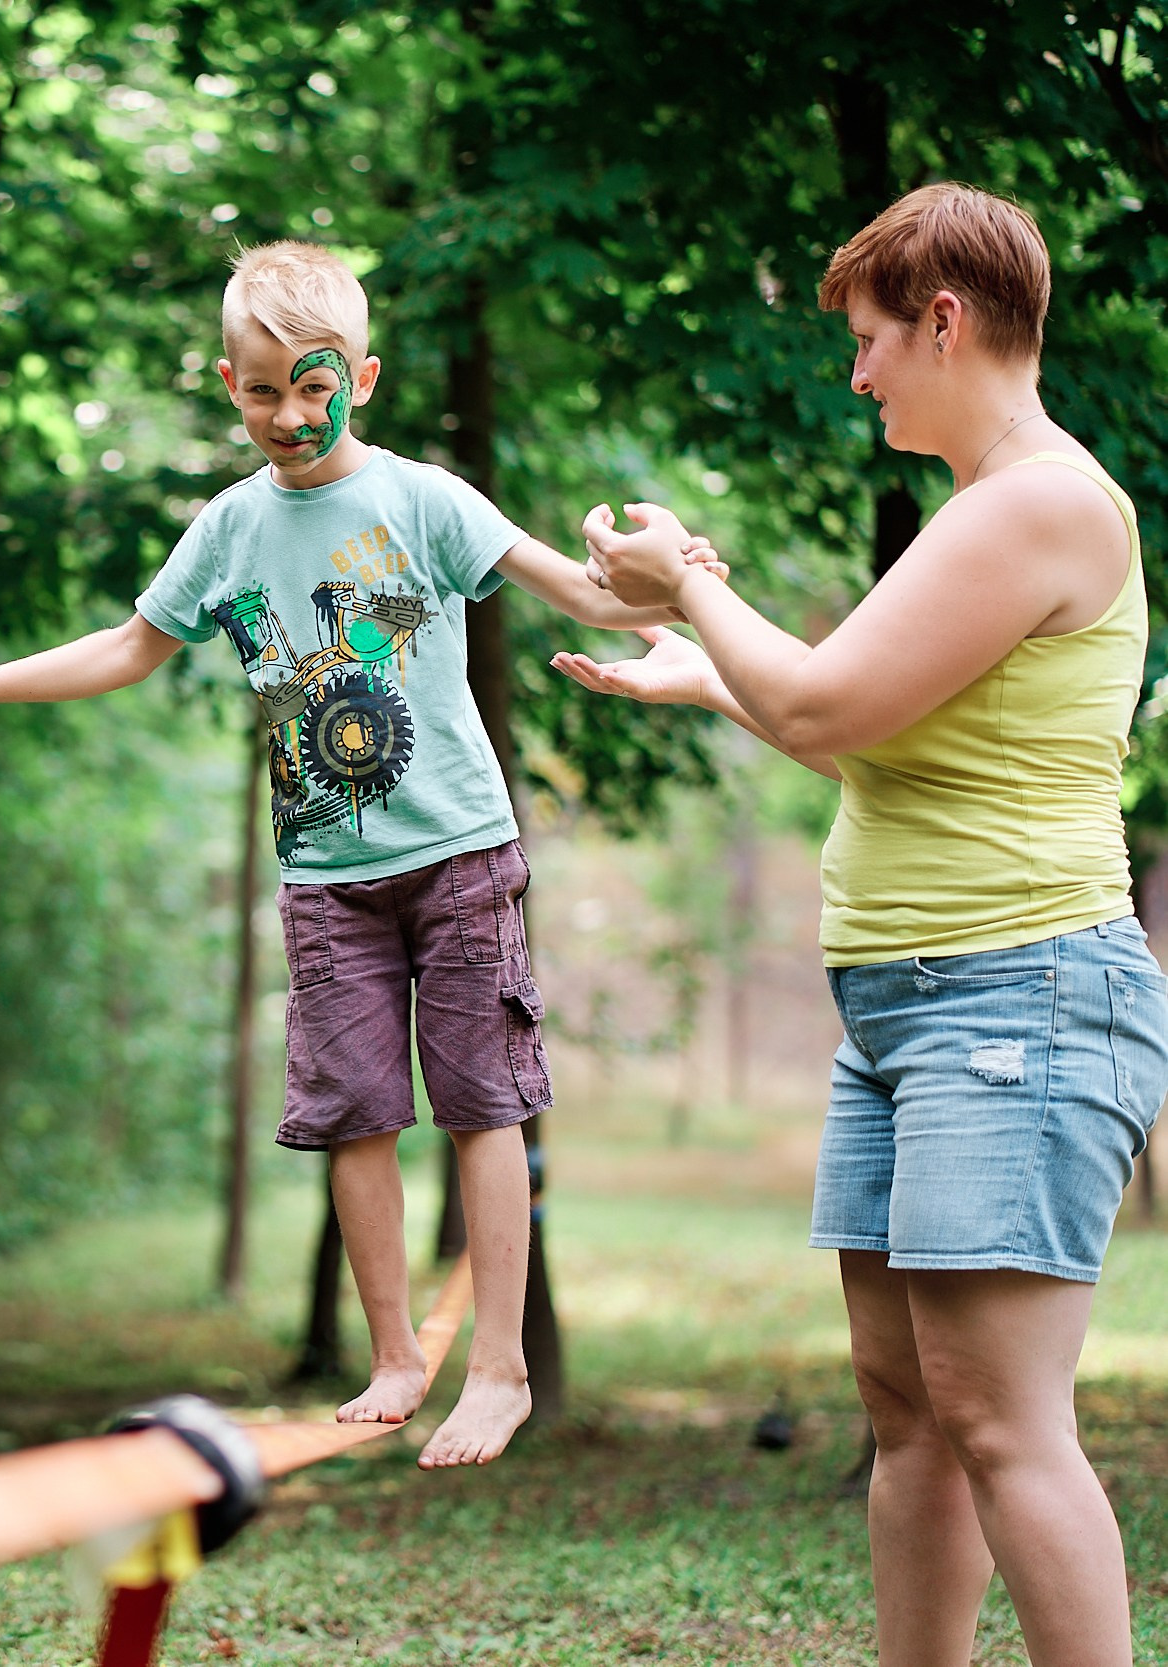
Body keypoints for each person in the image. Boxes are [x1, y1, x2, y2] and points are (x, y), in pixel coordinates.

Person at [0, 241, 709, 1469]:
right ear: (228, 385)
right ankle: (394, 1354)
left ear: (359, 376)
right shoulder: (228, 530)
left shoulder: (428, 501)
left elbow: (582, 595)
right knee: (350, 1113)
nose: (290, 414)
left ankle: (500, 1367)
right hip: (326, 879)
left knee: (483, 1102)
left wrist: (683, 589)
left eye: (314, 386)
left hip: (462, 854)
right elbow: (126, 646)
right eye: (263, 392)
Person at [561, 183, 1164, 1667]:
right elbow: (873, 739)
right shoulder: (987, 511)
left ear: (944, 319)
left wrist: (693, 585)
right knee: (909, 1411)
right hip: (911, 1010)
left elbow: (825, 694)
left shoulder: (1040, 500)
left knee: (1001, 1418)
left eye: (872, 339)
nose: (859, 372)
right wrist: (709, 677)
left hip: (1017, 996)